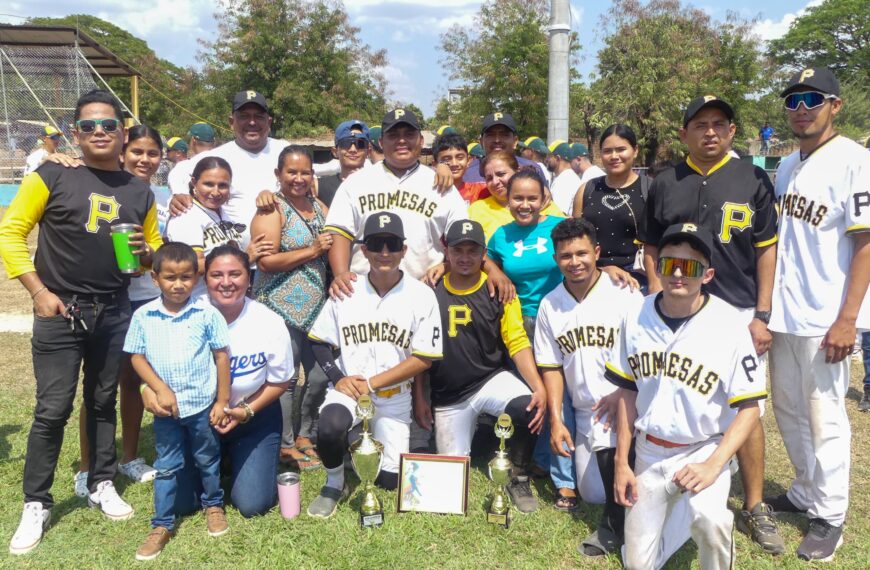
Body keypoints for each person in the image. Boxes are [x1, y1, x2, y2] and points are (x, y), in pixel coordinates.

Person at [1, 89, 162, 555]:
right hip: (60, 308)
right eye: (89, 125)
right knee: (52, 409)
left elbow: (150, 250)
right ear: (75, 132)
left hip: (113, 308)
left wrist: (148, 254)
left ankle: (100, 481)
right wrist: (38, 291)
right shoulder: (51, 173)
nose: (98, 132)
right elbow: (11, 232)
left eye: (107, 125)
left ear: (122, 132)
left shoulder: (139, 190)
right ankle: (36, 502)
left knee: (102, 400)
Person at [639, 94, 783, 555]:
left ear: (733, 132)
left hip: (737, 305)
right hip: (676, 305)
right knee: (678, 391)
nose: (710, 132)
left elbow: (766, 248)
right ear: (684, 133)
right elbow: (649, 246)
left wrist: (763, 314)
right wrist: (653, 296)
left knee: (746, 405)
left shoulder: (752, 176)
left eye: (719, 123)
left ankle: (755, 503)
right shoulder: (665, 181)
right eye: (700, 124)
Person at [610, 223, 765, 570]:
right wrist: (622, 462)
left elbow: (750, 408)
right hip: (649, 451)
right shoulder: (634, 314)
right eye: (669, 264)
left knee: (712, 522)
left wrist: (714, 465)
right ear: (657, 267)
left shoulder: (728, 324)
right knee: (637, 565)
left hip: (703, 447)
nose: (678, 273)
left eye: (690, 266)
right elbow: (626, 391)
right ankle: (680, 506)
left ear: (707, 274)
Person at [766, 67, 870, 562]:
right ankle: (805, 492)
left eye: (812, 98)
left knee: (826, 418)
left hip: (827, 314)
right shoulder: (787, 165)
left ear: (835, 105)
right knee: (788, 409)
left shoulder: (855, 160)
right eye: (793, 99)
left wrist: (848, 319)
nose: (801, 107)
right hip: (785, 313)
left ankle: (829, 516)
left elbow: (866, 243)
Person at [139, 246, 292, 535]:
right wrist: (146, 387)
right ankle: (219, 461)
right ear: (203, 279)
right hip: (193, 421)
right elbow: (149, 358)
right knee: (183, 503)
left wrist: (245, 411)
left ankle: (235, 457)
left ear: (249, 278)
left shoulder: (268, 321)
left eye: (235, 274)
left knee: (251, 504)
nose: (226, 282)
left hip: (252, 417)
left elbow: (280, 381)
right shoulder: (184, 310)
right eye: (216, 275)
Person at [306, 212, 442, 517]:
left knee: (391, 481)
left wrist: (372, 384)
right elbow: (318, 340)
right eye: (376, 244)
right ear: (363, 250)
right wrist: (338, 377)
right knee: (329, 428)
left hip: (394, 397)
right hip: (351, 390)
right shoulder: (346, 289)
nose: (384, 253)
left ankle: (361, 441)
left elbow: (424, 357)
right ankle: (334, 482)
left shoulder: (422, 296)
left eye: (392, 244)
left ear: (404, 250)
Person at [414, 219, 547, 513]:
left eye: (472, 251)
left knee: (528, 405)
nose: (464, 257)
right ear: (445, 252)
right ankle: (485, 443)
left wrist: (539, 387)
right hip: (448, 395)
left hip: (489, 380)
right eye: (457, 250)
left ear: (483, 253)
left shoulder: (499, 290)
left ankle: (517, 474)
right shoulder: (429, 291)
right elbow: (419, 352)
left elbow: (517, 341)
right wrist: (420, 396)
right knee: (452, 473)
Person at [74, 125, 172, 497]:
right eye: (137, 152)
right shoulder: (101, 185)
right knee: (99, 383)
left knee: (134, 381)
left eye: (152, 153)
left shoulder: (163, 195)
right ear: (122, 151)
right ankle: (87, 466)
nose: (144, 160)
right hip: (110, 297)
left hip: (149, 298)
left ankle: (129, 457)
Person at [536, 217, 642, 556]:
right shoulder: (550, 304)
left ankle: (616, 528)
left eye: (582, 253)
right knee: (593, 492)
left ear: (597, 252)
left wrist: (626, 394)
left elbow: (646, 357)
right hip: (584, 412)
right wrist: (556, 419)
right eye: (566, 256)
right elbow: (551, 367)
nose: (575, 262)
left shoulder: (624, 293)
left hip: (627, 403)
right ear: (556, 259)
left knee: (619, 487)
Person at [124, 242, 231, 561]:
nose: (178, 284)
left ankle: (213, 505)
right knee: (167, 466)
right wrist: (157, 389)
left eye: (186, 277)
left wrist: (222, 400)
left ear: (196, 278)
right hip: (166, 411)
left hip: (202, 407)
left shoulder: (206, 313)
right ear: (154, 278)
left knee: (207, 458)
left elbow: (221, 356)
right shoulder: (144, 316)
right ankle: (161, 524)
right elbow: (136, 357)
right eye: (170, 277)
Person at [251, 145, 330, 471]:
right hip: (279, 307)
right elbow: (266, 262)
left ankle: (305, 434)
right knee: (283, 378)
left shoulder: (319, 206)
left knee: (320, 376)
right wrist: (311, 250)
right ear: (278, 175)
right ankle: (284, 444)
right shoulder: (272, 210)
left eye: (304, 172)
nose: (298, 178)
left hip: (317, 307)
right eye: (291, 172)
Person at [169, 90, 289, 249]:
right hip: (237, 263)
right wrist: (179, 193)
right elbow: (179, 171)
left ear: (269, 121)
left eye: (259, 116)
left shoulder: (285, 151)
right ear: (231, 122)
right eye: (244, 116)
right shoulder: (219, 156)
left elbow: (312, 173)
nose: (252, 122)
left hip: (284, 258)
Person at [165, 156, 269, 301]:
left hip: (225, 300)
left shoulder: (223, 213)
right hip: (200, 302)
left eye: (222, 185)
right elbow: (194, 265)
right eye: (208, 184)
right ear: (194, 183)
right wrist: (246, 259)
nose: (215, 192)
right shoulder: (186, 215)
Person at [573, 124, 648, 281]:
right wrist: (602, 270)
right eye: (607, 151)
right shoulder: (587, 189)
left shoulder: (651, 189)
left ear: (635, 151)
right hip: (593, 277)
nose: (614, 156)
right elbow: (575, 241)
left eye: (621, 149)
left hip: (639, 279)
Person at [469, 151, 563, 242]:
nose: (495, 182)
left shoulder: (543, 204)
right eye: (489, 178)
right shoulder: (477, 210)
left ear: (517, 171)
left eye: (501, 174)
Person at [462, 113, 548, 185]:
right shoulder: (466, 173)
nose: (497, 140)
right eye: (491, 135)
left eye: (504, 135)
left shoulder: (533, 170)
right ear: (481, 142)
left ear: (515, 141)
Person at [315, 120, 370, 208]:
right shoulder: (317, 187)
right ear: (335, 151)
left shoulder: (378, 185)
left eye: (360, 144)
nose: (353, 150)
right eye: (346, 143)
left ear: (368, 151)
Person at [433, 133, 488, 204]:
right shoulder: (429, 192)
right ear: (435, 164)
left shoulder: (481, 191)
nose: (454, 163)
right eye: (446, 159)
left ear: (468, 160)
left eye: (460, 158)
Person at [167, 122, 217, 195]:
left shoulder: (182, 168)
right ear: (214, 142)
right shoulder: (226, 162)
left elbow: (180, 200)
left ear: (193, 140)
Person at [547, 141, 583, 216]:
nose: (546, 159)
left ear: (557, 158)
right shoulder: (566, 177)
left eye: (549, 156)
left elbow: (558, 214)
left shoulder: (565, 180)